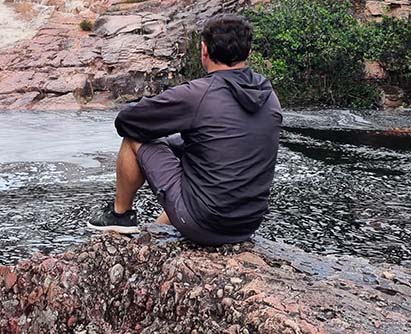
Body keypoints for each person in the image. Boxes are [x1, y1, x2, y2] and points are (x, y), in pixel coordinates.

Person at [87, 13, 282, 245]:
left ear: (204, 50)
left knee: (133, 140)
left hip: (205, 224)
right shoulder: (269, 96)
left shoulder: (198, 94)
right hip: (247, 225)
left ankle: (120, 216)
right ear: (248, 53)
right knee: (201, 168)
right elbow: (226, 144)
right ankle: (156, 233)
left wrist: (165, 134)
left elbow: (127, 120)